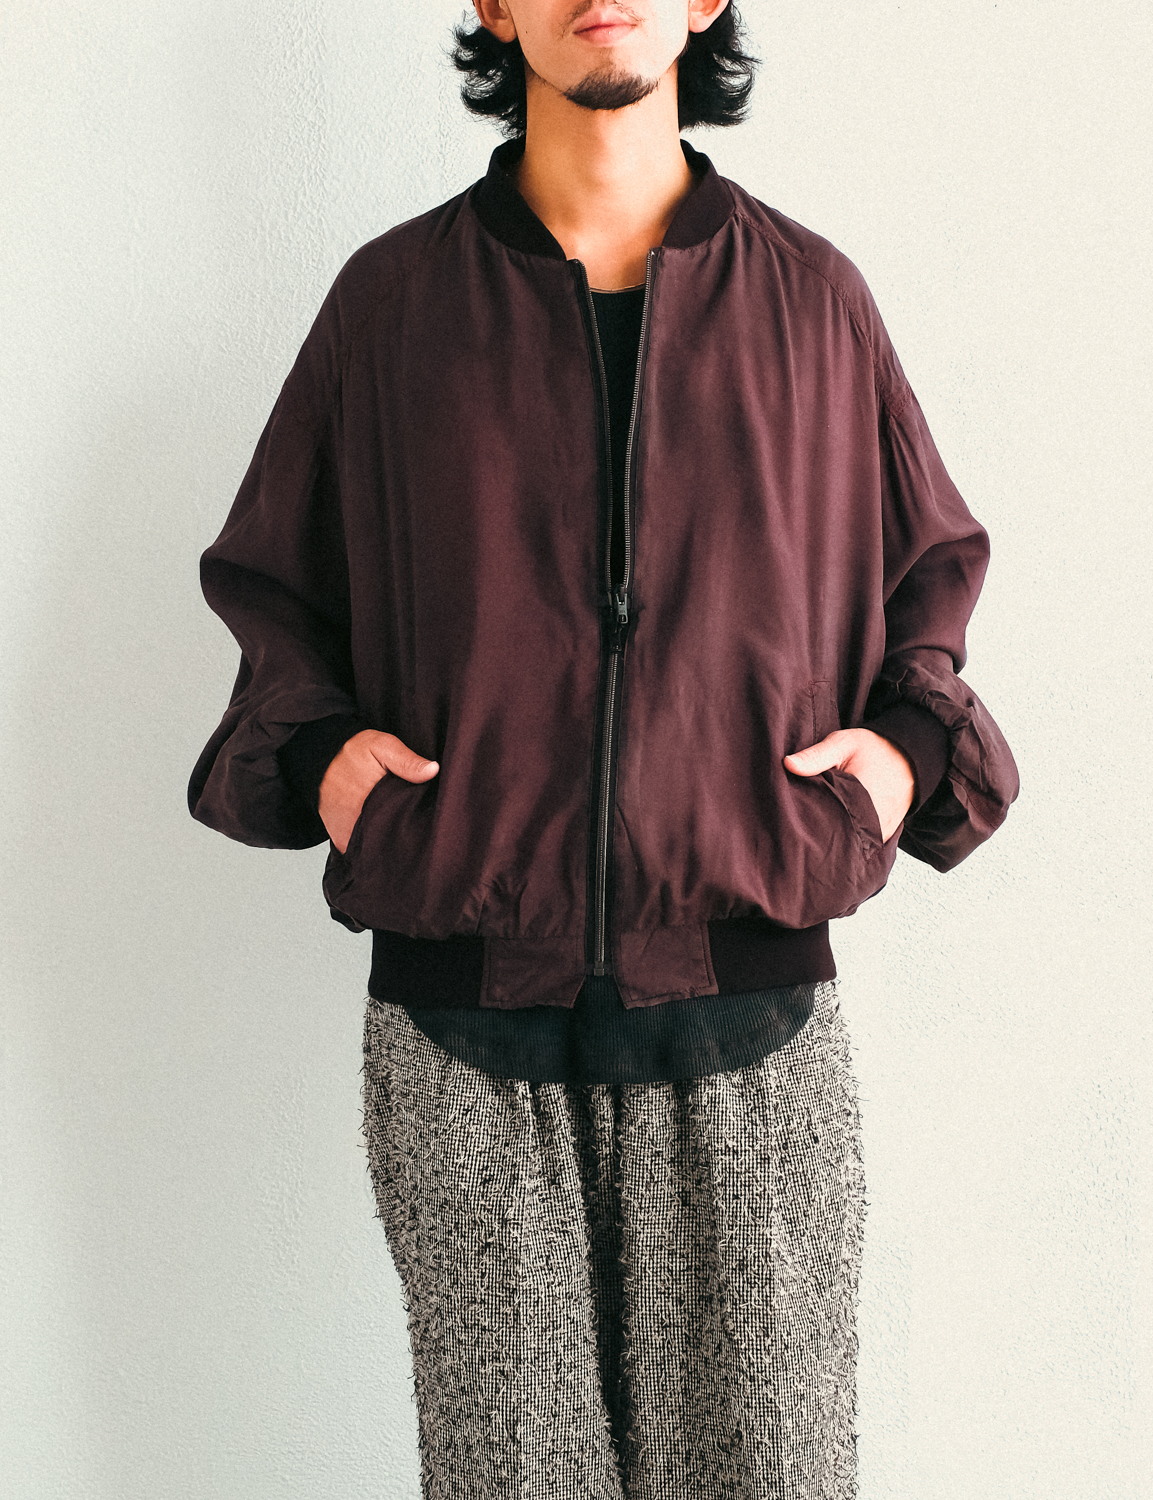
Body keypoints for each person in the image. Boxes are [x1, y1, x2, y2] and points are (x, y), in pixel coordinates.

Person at [188, 1, 1019, 1494]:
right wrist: (319, 760)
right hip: (463, 1026)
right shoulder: (393, 308)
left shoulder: (813, 304)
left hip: (751, 1019)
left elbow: (930, 575)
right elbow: (273, 584)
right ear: (491, 6)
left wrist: (903, 756)